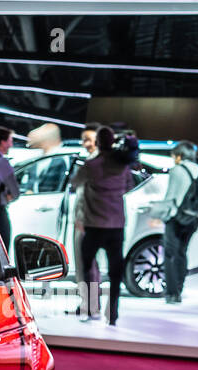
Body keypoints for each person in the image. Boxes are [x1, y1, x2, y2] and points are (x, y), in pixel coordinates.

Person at [72, 125, 135, 325]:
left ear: (98, 142)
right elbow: (129, 187)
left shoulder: (90, 166)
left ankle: (91, 308)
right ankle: (113, 314)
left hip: (93, 226)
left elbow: (74, 183)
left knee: (88, 268)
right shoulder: (122, 167)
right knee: (115, 272)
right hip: (116, 226)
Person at [150, 141, 198, 304]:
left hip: (176, 217)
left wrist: (160, 214)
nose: (173, 159)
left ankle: (172, 293)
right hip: (194, 218)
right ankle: (179, 288)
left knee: (170, 254)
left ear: (179, 156)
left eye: (174, 156)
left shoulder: (177, 170)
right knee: (182, 252)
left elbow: (171, 196)